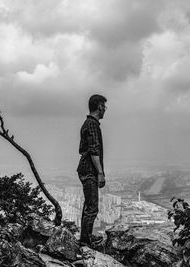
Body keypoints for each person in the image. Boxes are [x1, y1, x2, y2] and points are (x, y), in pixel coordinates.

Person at [77, 94, 107, 247]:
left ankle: (85, 237)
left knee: (89, 205)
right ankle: (85, 241)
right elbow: (94, 150)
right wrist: (100, 173)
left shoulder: (88, 123)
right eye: (104, 106)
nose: (105, 110)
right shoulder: (92, 124)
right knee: (93, 207)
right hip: (89, 170)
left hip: (85, 168)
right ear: (99, 106)